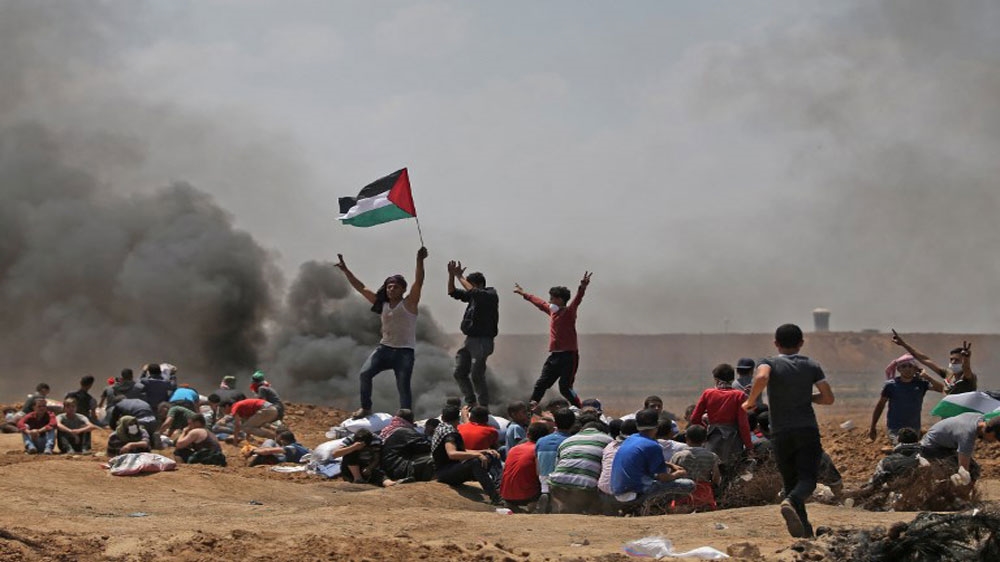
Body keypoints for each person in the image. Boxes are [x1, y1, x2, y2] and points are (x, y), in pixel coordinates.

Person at [742, 323, 835, 539]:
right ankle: (791, 502)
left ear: (776, 343)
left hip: (780, 432)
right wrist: (807, 397)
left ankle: (805, 533)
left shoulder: (769, 362)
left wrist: (750, 401)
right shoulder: (812, 365)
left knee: (791, 482)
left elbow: (762, 377)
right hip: (806, 429)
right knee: (808, 480)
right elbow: (828, 398)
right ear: (801, 343)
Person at [335, 247, 428, 419]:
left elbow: (419, 282)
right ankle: (366, 408)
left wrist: (419, 260)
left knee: (403, 386)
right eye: (389, 287)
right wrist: (346, 270)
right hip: (384, 349)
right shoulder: (383, 304)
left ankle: (406, 419)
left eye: (395, 287)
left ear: (402, 290)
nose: (391, 289)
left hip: (404, 352)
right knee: (365, 374)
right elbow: (361, 287)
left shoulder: (409, 304)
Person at [513, 271, 592, 410]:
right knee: (542, 383)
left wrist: (582, 287)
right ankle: (532, 406)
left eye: (552, 298)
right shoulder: (553, 312)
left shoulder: (569, 312)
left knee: (565, 387)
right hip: (555, 355)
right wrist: (523, 293)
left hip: (569, 356)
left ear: (560, 300)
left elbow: (577, 300)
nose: (549, 301)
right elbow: (539, 303)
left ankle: (579, 409)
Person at [610, 409, 695, 508]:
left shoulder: (631, 439)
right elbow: (663, 477)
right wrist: (677, 474)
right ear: (657, 426)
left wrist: (670, 465)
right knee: (689, 485)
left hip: (618, 492)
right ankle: (657, 508)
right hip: (635, 494)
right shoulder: (653, 445)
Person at [447, 261, 500, 409]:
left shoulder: (490, 295)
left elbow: (474, 292)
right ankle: (471, 401)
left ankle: (483, 406)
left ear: (479, 284)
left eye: (470, 285)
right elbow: (452, 292)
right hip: (470, 340)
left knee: (477, 374)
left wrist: (459, 275)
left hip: (483, 341)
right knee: (459, 372)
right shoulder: (473, 298)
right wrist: (452, 276)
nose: (467, 289)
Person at [431, 404, 502, 504]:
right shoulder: (450, 433)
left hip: (447, 470)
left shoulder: (441, 427)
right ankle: (496, 497)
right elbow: (452, 453)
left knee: (490, 455)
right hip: (445, 473)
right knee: (475, 462)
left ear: (442, 417)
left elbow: (462, 451)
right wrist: (476, 455)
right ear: (458, 418)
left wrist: (483, 451)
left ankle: (500, 489)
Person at [868, 354, 944, 444]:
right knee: (899, 446)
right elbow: (880, 405)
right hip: (895, 427)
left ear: (915, 368)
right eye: (904, 366)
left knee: (912, 451)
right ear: (898, 369)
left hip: (914, 428)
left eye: (910, 366)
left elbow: (942, 389)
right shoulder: (891, 385)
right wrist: (873, 426)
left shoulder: (921, 383)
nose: (907, 369)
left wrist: (927, 377)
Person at [690, 364, 753, 471]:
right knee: (732, 472)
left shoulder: (708, 393)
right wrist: (749, 445)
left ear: (716, 379)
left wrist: (706, 430)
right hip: (733, 440)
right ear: (732, 379)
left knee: (712, 469)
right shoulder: (739, 395)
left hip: (713, 438)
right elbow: (743, 424)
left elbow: (694, 419)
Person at [548, 415, 613, 514]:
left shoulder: (567, 440)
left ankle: (561, 508)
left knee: (568, 508)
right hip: (584, 488)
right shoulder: (609, 441)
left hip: (557, 485)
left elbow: (557, 465)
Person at [919, 412, 1000, 483]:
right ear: (991, 432)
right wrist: (964, 478)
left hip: (945, 446)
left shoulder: (979, 418)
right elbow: (963, 470)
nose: (994, 442)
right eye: (996, 438)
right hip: (930, 448)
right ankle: (956, 497)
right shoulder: (967, 436)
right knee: (961, 474)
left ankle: (960, 496)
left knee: (973, 470)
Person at [891, 330, 975, 394]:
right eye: (951, 359)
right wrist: (903, 344)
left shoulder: (967, 377)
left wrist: (967, 359)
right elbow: (925, 359)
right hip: (948, 416)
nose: (953, 362)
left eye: (957, 360)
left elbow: (966, 368)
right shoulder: (948, 374)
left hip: (965, 415)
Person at [500, 422, 550, 510]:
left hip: (506, 495)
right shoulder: (539, 450)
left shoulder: (513, 449)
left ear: (527, 434)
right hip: (527, 496)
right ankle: (535, 505)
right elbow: (541, 473)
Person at [670, 425, 721, 511]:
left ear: (686, 438)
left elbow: (671, 475)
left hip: (682, 493)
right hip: (704, 494)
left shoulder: (678, 456)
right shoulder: (711, 456)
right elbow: (716, 477)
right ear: (705, 439)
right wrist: (713, 486)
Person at [534, 408, 576, 512]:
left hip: (543, 481)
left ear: (555, 423)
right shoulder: (571, 441)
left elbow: (537, 468)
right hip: (561, 486)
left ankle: (546, 493)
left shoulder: (541, 441)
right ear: (573, 423)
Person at [380, 409, 434, 482]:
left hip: (389, 468)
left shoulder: (390, 430)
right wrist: (432, 436)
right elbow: (425, 446)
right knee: (433, 459)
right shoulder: (405, 431)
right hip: (400, 469)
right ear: (411, 420)